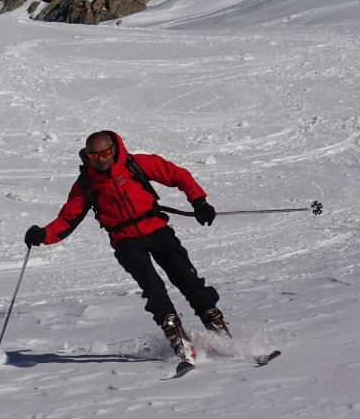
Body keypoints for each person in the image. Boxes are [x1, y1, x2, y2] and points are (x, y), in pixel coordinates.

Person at [23, 130, 227, 362]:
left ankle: (217, 328)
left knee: (186, 277)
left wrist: (199, 202)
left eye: (105, 152)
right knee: (154, 288)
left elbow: (177, 175)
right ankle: (177, 337)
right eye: (94, 155)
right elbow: (68, 219)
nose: (100, 158)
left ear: (115, 149)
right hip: (126, 242)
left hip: (157, 230)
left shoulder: (135, 164)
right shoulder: (87, 184)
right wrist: (43, 234)